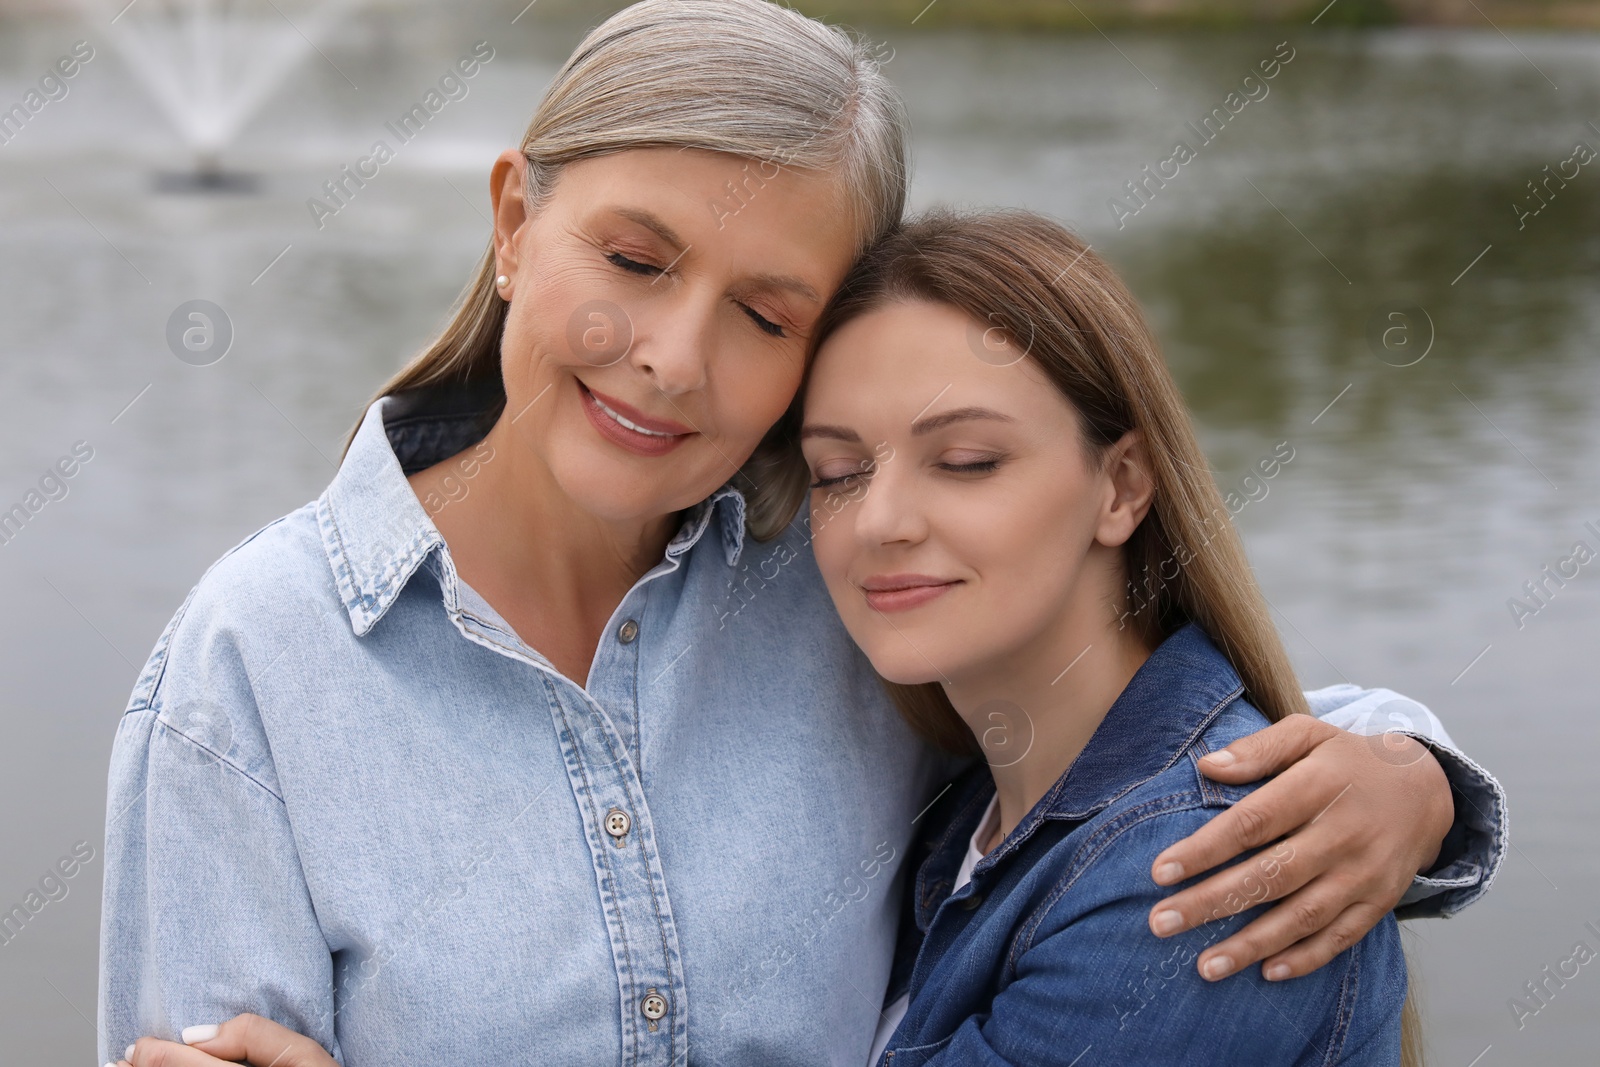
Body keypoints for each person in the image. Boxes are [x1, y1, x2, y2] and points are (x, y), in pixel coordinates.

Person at [102, 3, 1504, 1066]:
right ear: (516, 222)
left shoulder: (846, 579)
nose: (670, 357)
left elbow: (1130, 745)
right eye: (635, 260)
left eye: (766, 316)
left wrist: (1405, 773)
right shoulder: (251, 673)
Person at [797, 209, 1420, 1064]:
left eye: (968, 459)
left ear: (1121, 486)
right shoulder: (967, 809)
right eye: (838, 471)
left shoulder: (1197, 868)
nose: (879, 519)